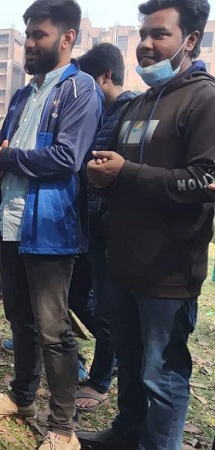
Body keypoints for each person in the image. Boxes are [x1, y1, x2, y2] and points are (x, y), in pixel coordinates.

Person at [78, 0, 215, 448]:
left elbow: (208, 179)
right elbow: (117, 171)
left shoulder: (204, 99)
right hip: (123, 262)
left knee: (163, 376)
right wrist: (101, 177)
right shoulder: (139, 105)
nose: (146, 46)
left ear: (190, 40)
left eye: (160, 35)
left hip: (168, 272)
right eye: (143, 36)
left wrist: (126, 173)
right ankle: (126, 434)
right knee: (132, 364)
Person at [0, 0, 103, 448]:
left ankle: (63, 427)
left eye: (38, 35)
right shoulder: (24, 95)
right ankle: (22, 397)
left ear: (67, 38)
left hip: (48, 228)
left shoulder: (80, 90)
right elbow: (9, 150)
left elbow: (67, 158)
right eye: (26, 34)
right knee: (19, 319)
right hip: (9, 222)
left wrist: (4, 157)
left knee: (53, 328)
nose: (28, 44)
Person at [72, 43, 139, 414]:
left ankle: (101, 380)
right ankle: (105, 358)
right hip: (90, 226)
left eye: (88, 82)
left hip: (111, 226)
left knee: (107, 308)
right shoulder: (103, 112)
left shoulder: (128, 113)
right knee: (78, 299)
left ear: (106, 77)